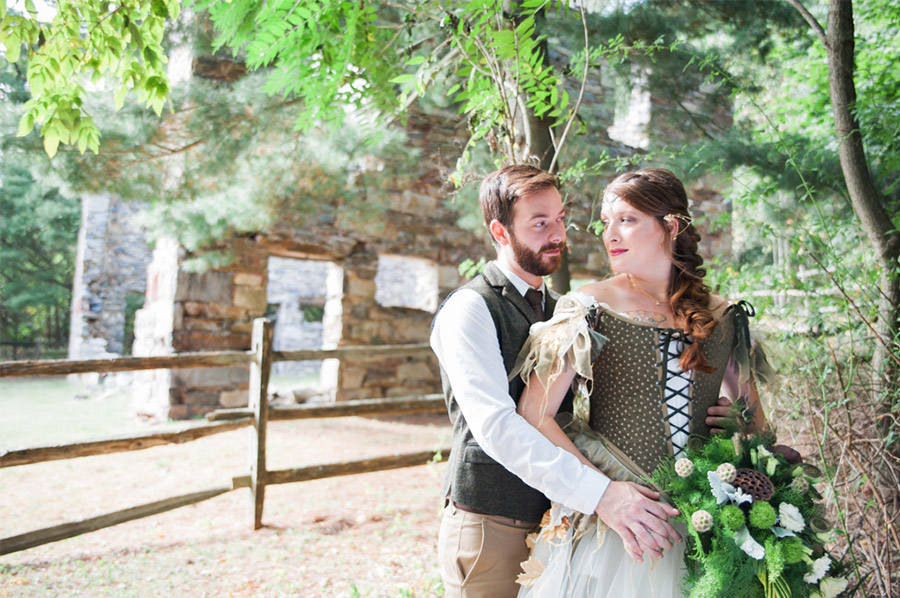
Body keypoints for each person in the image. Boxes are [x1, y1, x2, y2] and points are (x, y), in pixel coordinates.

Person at [514, 168, 772, 598]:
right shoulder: (588, 307)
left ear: (669, 226)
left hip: (704, 519)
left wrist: (739, 428)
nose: (609, 234)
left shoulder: (723, 316)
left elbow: (758, 426)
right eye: (605, 222)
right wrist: (602, 491)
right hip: (615, 523)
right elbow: (533, 414)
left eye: (626, 220)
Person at [430, 165, 682, 598]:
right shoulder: (470, 309)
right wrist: (602, 494)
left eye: (560, 218)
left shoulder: (562, 310)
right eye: (540, 223)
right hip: (495, 525)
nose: (557, 233)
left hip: (560, 523)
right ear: (501, 231)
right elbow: (498, 428)